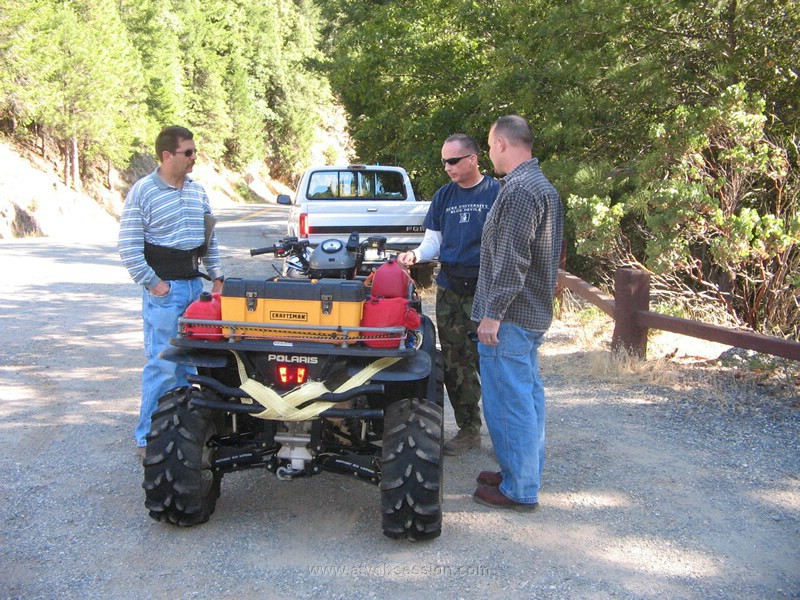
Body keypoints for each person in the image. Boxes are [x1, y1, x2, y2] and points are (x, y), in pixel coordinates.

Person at [471, 115, 563, 511]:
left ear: (503, 144)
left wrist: (493, 314)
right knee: (528, 396)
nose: (490, 153)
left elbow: (513, 259)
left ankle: (519, 489)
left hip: (510, 317)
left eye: (490, 146)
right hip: (530, 312)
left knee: (509, 400)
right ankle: (519, 471)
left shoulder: (521, 190)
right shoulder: (542, 187)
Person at [118, 126, 224, 458]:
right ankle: (149, 438)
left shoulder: (197, 191)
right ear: (167, 156)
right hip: (166, 291)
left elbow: (210, 241)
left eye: (194, 151)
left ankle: (184, 434)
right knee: (164, 365)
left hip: (196, 290)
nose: (194, 158)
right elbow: (128, 247)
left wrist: (218, 277)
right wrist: (155, 284)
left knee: (194, 365)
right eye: (188, 152)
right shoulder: (143, 192)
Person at [397, 134, 499, 455]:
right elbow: (433, 243)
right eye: (444, 161)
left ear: (473, 158)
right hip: (450, 290)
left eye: (453, 161)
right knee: (456, 364)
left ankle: (506, 435)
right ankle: (469, 430)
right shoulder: (443, 197)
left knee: (495, 364)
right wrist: (415, 255)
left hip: (488, 292)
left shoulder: (497, 193)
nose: (447, 167)